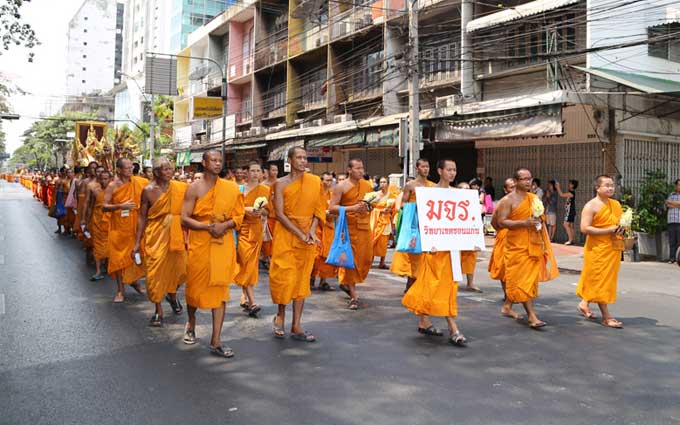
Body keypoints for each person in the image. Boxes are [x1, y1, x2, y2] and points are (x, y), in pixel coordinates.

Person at [181, 150, 244, 358]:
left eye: (219, 160)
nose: (217, 163)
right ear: (204, 162)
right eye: (213, 160)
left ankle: (216, 340)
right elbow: (184, 218)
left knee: (220, 290)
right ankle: (191, 322)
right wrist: (207, 227)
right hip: (200, 243)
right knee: (195, 289)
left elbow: (239, 216)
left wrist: (224, 225)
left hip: (222, 242)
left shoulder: (230, 188)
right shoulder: (194, 188)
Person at [402, 159, 466, 346]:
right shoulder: (428, 193)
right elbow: (420, 219)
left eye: (454, 170)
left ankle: (428, 321)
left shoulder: (457, 194)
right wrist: (428, 238)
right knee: (432, 285)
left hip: (452, 248)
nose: (452, 173)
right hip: (433, 248)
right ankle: (452, 328)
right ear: (440, 171)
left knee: (449, 286)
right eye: (449, 169)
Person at [269, 147, 325, 341]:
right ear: (290, 161)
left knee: (301, 280)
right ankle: (280, 314)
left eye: (305, 158)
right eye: (299, 158)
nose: (303, 161)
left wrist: (311, 231)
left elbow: (319, 210)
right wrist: (299, 233)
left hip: (307, 236)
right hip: (286, 235)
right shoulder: (280, 184)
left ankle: (297, 325)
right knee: (285, 278)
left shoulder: (315, 181)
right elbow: (279, 214)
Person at [495, 168, 559, 328]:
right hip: (516, 247)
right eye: (524, 179)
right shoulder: (508, 200)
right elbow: (501, 222)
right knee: (522, 282)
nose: (528, 181)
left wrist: (538, 221)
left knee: (526, 281)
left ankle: (507, 306)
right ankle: (532, 316)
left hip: (533, 244)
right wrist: (523, 223)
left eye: (530, 178)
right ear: (516, 181)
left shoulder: (534, 198)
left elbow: (540, 218)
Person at [134, 158, 187, 327]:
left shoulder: (180, 187)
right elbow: (142, 217)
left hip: (176, 234)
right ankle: (158, 310)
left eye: (171, 169)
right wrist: (137, 243)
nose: (170, 172)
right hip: (156, 236)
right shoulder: (148, 190)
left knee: (180, 271)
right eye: (166, 169)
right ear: (156, 172)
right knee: (154, 273)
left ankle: (172, 295)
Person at [576, 175, 625, 328]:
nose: (611, 188)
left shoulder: (616, 204)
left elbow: (617, 223)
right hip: (597, 249)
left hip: (613, 247)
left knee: (601, 279)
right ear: (597, 188)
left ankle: (584, 303)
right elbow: (584, 228)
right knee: (600, 279)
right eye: (607, 185)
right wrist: (608, 230)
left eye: (612, 185)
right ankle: (606, 317)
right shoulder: (591, 206)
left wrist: (622, 229)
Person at [329, 158, 373, 310]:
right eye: (357, 168)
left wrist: (368, 207)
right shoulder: (341, 187)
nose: (361, 171)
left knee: (366, 258)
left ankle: (346, 283)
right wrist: (352, 208)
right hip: (348, 228)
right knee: (351, 261)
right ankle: (354, 296)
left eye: (362, 168)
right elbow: (332, 208)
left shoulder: (367, 185)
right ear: (349, 170)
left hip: (364, 226)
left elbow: (371, 205)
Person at [103, 158, 147, 303]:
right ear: (119, 170)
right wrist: (120, 206)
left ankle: (134, 281)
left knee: (136, 257)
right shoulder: (112, 186)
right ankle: (120, 291)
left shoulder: (140, 182)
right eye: (127, 167)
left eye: (131, 167)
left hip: (136, 227)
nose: (131, 169)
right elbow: (104, 206)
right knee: (118, 260)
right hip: (119, 229)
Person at [390, 159, 435, 293]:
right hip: (415, 225)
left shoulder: (433, 186)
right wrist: (417, 207)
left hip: (428, 224)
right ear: (417, 168)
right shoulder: (410, 185)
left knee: (426, 257)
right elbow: (403, 204)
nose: (426, 169)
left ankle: (417, 286)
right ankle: (411, 285)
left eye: (427, 166)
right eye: (423, 166)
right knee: (415, 256)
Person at [234, 161, 269, 317]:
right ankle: (253, 302)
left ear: (261, 173)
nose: (255, 173)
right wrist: (245, 209)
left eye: (258, 171)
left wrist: (261, 212)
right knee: (246, 264)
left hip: (256, 230)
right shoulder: (239, 190)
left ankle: (245, 296)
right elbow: (233, 209)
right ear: (246, 173)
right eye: (252, 170)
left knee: (250, 265)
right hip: (242, 230)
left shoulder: (265, 190)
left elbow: (270, 211)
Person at [488, 178, 516, 300]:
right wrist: (502, 230)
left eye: (515, 186)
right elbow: (493, 222)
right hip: (504, 237)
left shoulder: (524, 201)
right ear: (505, 190)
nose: (514, 189)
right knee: (503, 267)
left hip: (519, 238)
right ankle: (507, 294)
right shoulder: (502, 203)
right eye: (511, 187)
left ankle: (516, 293)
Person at [311, 172, 338, 291]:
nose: (328, 182)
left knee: (327, 255)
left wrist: (331, 213)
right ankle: (311, 279)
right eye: (326, 180)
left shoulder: (333, 196)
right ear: (321, 181)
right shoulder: (316, 195)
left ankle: (323, 281)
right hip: (317, 228)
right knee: (315, 255)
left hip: (329, 228)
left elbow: (337, 212)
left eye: (330, 180)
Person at [456, 182, 482, 293]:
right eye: (464, 189)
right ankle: (453, 282)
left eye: (468, 189)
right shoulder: (453, 203)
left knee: (470, 258)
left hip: (469, 234)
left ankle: (470, 283)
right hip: (456, 234)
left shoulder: (473, 203)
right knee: (456, 258)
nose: (467, 191)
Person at [86, 169, 112, 281]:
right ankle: (98, 270)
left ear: (110, 179)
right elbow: (90, 206)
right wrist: (86, 220)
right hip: (97, 220)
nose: (103, 181)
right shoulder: (95, 190)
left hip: (110, 221)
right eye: (102, 179)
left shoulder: (114, 191)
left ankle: (107, 265)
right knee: (97, 245)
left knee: (109, 244)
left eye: (106, 179)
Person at [371, 176, 396, 270]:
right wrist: (380, 211)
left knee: (384, 242)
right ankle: (370, 261)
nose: (382, 184)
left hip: (386, 220)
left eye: (384, 182)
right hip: (376, 220)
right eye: (381, 182)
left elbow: (395, 208)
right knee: (374, 240)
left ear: (388, 184)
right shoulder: (375, 195)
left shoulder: (392, 196)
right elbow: (370, 208)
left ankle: (382, 262)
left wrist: (390, 210)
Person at [556, 179, 578, 245]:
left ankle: (570, 240)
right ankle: (571, 240)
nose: (569, 185)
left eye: (570, 184)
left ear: (573, 185)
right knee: (570, 226)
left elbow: (561, 194)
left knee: (565, 224)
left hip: (570, 211)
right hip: (571, 211)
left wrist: (558, 187)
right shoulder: (571, 192)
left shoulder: (571, 193)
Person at [665, 179, 680, 264]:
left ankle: (678, 259)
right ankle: (672, 258)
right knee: (672, 241)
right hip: (671, 221)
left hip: (679, 221)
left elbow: (670, 203)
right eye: (679, 185)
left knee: (679, 241)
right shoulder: (671, 194)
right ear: (676, 186)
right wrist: (677, 204)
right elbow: (667, 204)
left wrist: (672, 204)